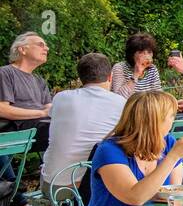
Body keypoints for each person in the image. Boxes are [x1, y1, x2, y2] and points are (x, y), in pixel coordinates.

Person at [40, 53, 126, 192]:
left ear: (80, 78)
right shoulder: (120, 102)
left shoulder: (61, 98)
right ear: (110, 77)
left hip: (54, 185)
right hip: (95, 187)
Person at [0, 31, 56, 206]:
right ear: (22, 49)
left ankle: (61, 189)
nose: (46, 48)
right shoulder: (5, 73)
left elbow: (51, 109)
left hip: (39, 130)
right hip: (13, 132)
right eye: (40, 44)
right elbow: (2, 109)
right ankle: (25, 205)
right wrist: (40, 112)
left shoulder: (39, 80)